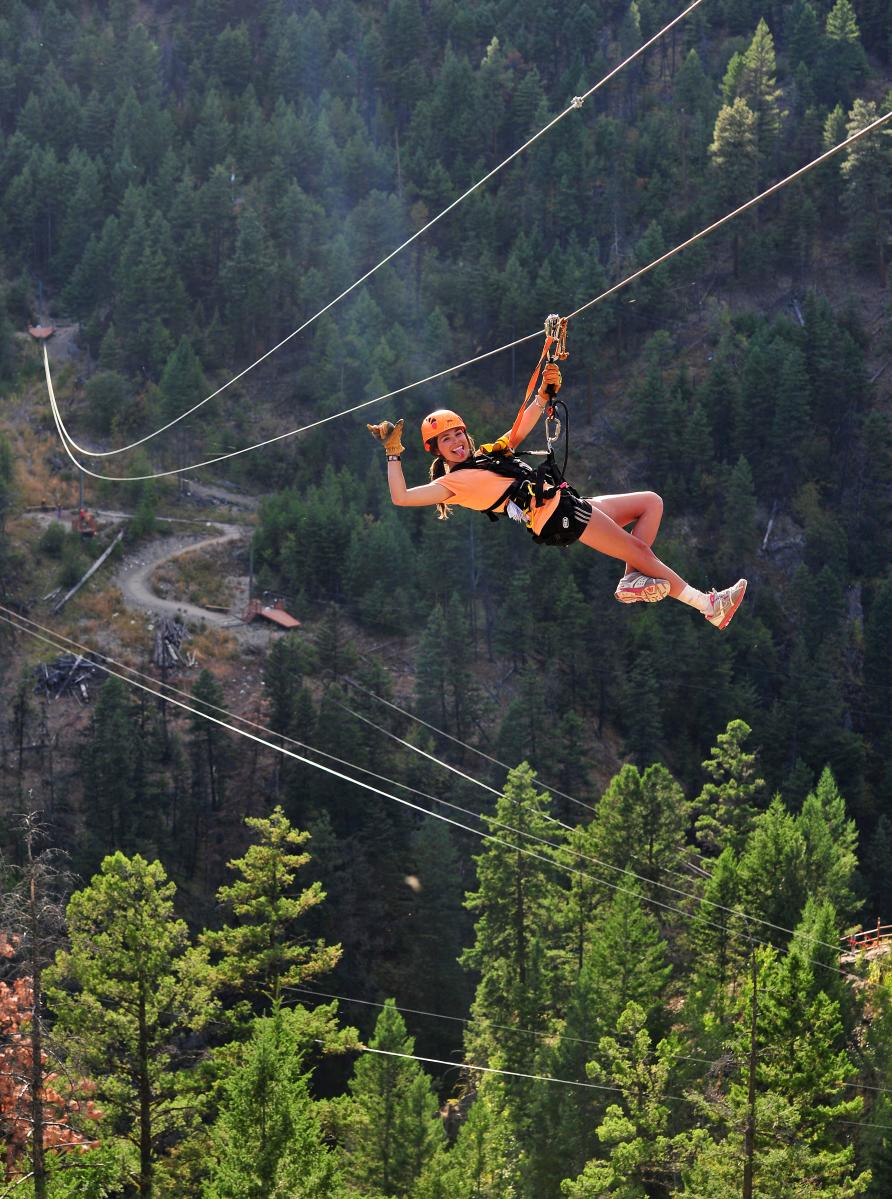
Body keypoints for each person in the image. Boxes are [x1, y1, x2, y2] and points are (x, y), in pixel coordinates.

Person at [368, 364, 746, 629]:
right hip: (555, 517)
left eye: (457, 434)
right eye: (445, 440)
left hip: (564, 505)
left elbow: (517, 433)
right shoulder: (455, 484)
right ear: (436, 451)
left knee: (651, 502)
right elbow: (401, 498)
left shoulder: (485, 455)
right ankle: (707, 605)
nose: (456, 442)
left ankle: (633, 579)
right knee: (641, 551)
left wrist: (543, 396)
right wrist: (393, 453)